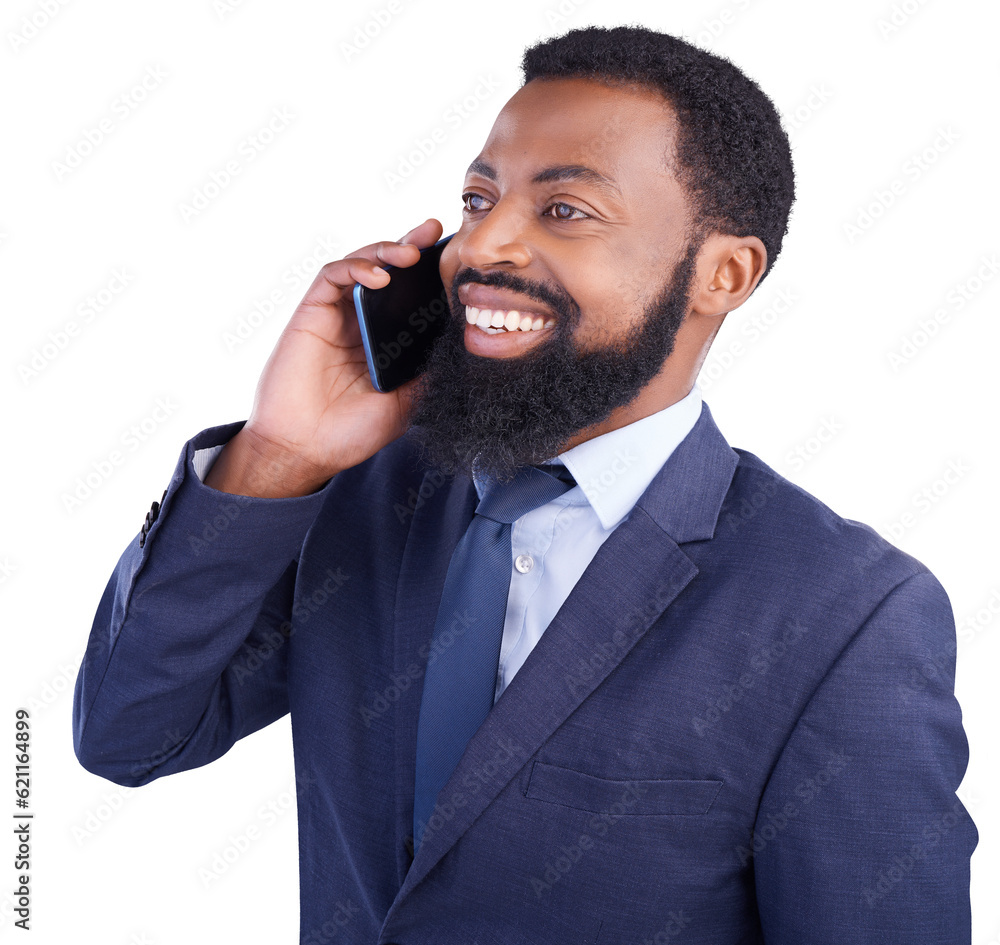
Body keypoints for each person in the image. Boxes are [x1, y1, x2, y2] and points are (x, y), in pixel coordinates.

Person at [72, 24, 975, 944]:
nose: (483, 245)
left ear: (724, 273)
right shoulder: (359, 494)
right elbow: (128, 731)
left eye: (566, 209)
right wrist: (276, 451)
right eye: (477, 197)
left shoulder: (846, 614)